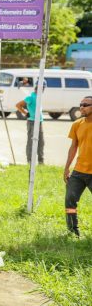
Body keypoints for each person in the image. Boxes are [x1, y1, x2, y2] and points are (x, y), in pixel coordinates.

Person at [63, 96, 92, 237]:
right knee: (69, 200)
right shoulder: (77, 124)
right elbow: (73, 147)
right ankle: (73, 232)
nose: (82, 107)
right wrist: (67, 167)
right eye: (80, 104)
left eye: (86, 105)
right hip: (79, 172)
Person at [16, 81, 46, 164]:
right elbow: (18, 105)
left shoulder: (39, 97)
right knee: (31, 141)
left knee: (41, 142)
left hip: (39, 122)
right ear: (37, 88)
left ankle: (41, 161)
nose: (42, 89)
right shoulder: (31, 97)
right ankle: (29, 161)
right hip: (32, 122)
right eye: (41, 87)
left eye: (43, 88)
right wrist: (26, 113)